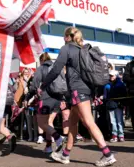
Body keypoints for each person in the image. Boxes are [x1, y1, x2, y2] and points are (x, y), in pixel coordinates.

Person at [41, 27, 116, 166]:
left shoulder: (67, 48)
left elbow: (56, 69)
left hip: (77, 90)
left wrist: (43, 85)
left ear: (67, 37)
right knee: (72, 123)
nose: (63, 39)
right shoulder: (83, 50)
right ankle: (65, 155)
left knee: (88, 122)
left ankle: (107, 154)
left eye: (64, 36)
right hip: (85, 90)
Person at [29, 52, 65, 154]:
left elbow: (35, 84)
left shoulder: (41, 68)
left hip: (46, 99)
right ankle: (48, 146)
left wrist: (29, 95)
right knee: (49, 122)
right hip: (57, 99)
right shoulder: (56, 67)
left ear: (41, 60)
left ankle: (58, 138)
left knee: (42, 123)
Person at [104, 70, 127, 143]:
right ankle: (114, 135)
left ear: (116, 76)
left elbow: (124, 95)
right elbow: (105, 96)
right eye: (110, 75)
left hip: (118, 105)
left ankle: (121, 135)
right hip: (111, 105)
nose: (111, 77)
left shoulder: (120, 84)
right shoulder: (107, 85)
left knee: (119, 121)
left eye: (112, 75)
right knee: (113, 121)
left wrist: (122, 103)